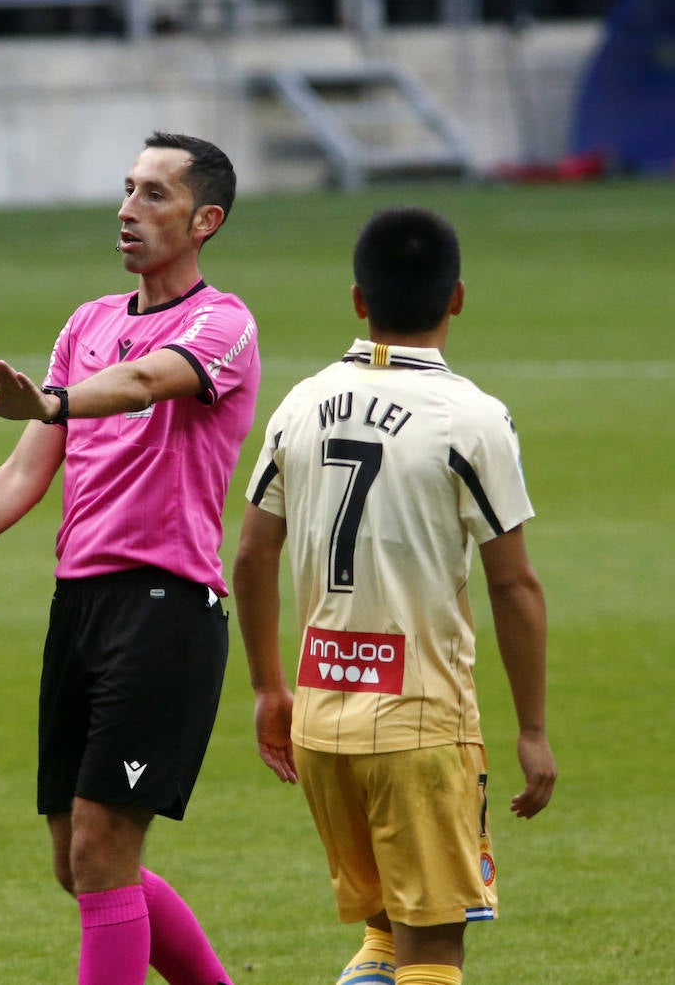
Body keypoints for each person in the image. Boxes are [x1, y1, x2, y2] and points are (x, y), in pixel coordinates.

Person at [0, 132, 257, 985]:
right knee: (77, 863)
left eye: (153, 195)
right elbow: (26, 469)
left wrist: (50, 401)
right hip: (81, 609)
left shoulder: (222, 324)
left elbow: (147, 383)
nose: (127, 211)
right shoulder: (87, 323)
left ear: (206, 220)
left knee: (100, 853)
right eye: (126, 190)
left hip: (166, 611)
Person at [232, 207, 558, 985]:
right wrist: (535, 732)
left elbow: (250, 555)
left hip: (320, 717)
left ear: (357, 299)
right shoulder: (474, 419)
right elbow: (514, 584)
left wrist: (267, 689)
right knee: (434, 951)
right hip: (419, 722)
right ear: (457, 298)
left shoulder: (301, 404)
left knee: (385, 937)